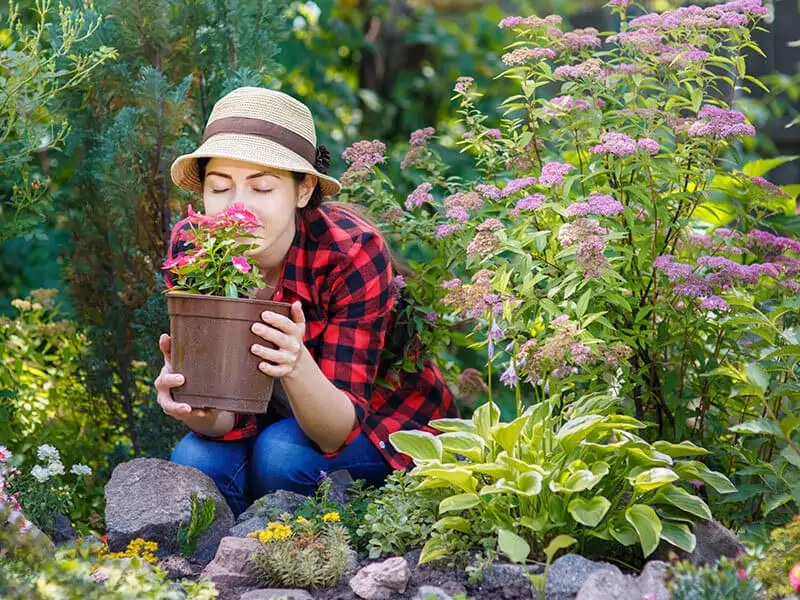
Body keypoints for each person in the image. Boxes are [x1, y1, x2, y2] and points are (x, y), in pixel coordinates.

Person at [156, 86, 458, 517]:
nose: (237, 207)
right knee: (196, 462)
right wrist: (190, 403)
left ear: (302, 190)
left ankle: (325, 544)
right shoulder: (195, 246)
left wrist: (294, 362)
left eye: (262, 188)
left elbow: (334, 433)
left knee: (279, 457)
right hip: (260, 424)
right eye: (220, 187)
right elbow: (221, 423)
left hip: (375, 424)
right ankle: (238, 559)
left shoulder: (350, 252)